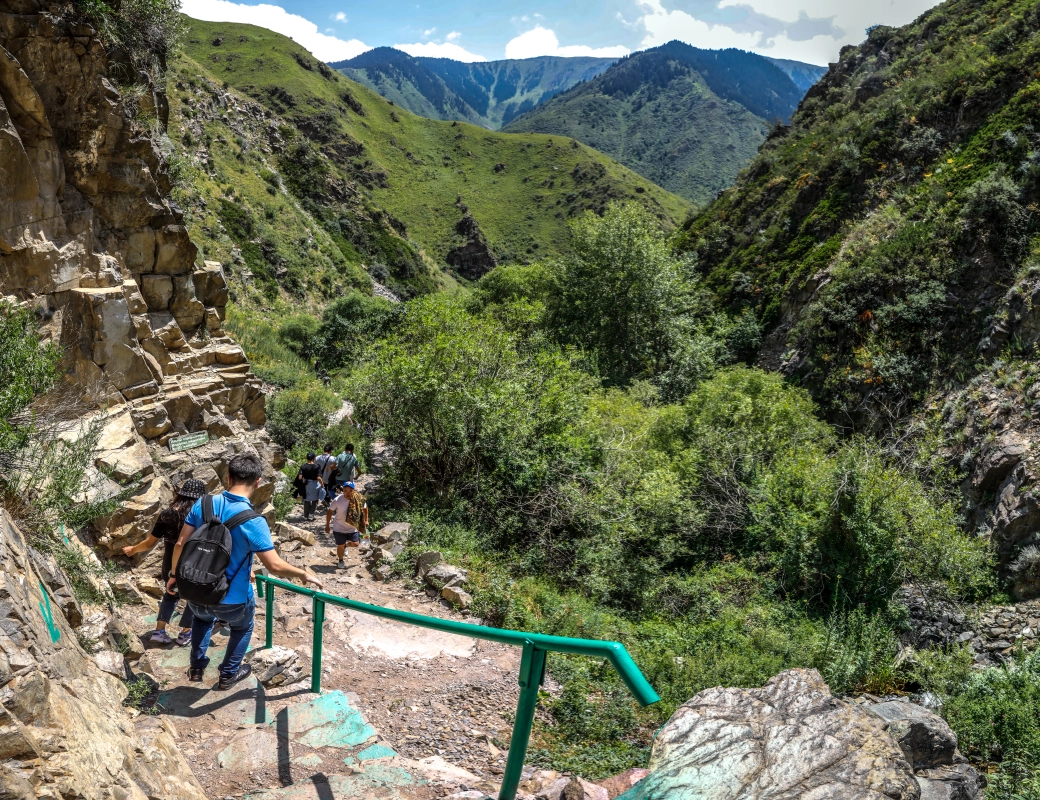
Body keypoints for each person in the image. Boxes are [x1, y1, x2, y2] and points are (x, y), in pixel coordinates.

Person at [168, 454, 323, 689]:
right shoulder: (254, 521)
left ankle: (197, 667)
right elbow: (274, 565)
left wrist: (173, 576)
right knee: (243, 627)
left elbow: (180, 544)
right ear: (258, 482)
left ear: (228, 478)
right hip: (232, 599)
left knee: (201, 618)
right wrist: (302, 573)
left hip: (194, 590)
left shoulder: (203, 503)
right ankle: (228, 674)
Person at [123, 479, 207, 646]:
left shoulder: (167, 514)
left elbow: (149, 543)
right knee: (194, 598)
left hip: (170, 566)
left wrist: (133, 549)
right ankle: (185, 633)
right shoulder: (202, 516)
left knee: (170, 596)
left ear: (180, 494)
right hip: (194, 566)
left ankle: (159, 631)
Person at [325, 481, 368, 569]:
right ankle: (341, 560)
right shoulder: (337, 500)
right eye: (345, 490)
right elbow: (329, 512)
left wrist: (366, 520)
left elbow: (365, 508)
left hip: (352, 527)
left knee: (356, 544)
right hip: (339, 527)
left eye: (350, 490)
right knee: (340, 545)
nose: (347, 493)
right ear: (342, 490)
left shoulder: (359, 499)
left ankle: (346, 545)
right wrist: (327, 525)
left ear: (354, 490)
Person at [297, 452, 323, 520]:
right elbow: (318, 478)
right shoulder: (317, 466)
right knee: (315, 499)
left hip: (306, 485)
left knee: (306, 500)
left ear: (307, 458)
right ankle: (311, 514)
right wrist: (322, 485)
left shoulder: (303, 466)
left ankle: (306, 516)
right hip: (315, 485)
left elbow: (300, 477)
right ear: (314, 458)